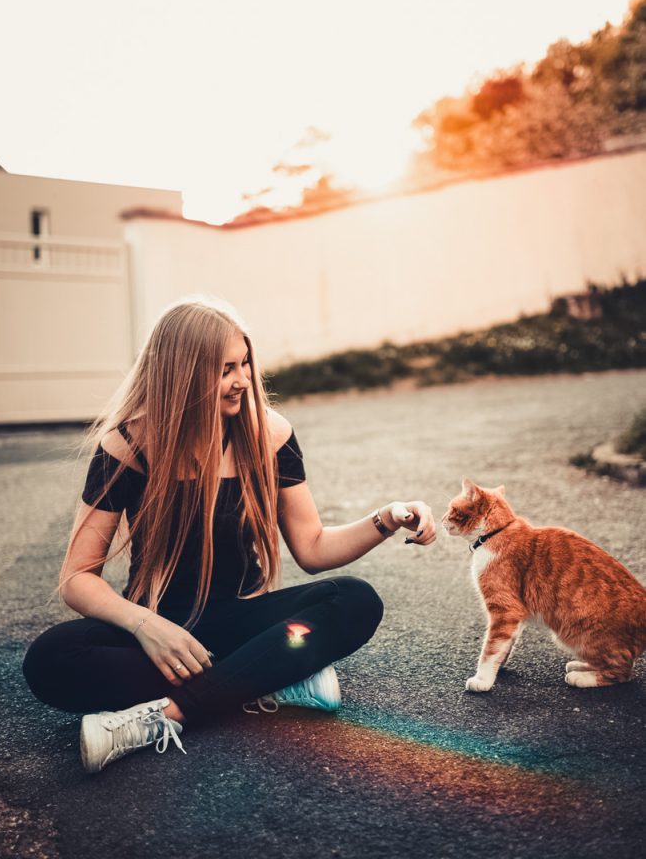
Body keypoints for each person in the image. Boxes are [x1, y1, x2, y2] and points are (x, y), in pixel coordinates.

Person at [23, 296, 436, 774]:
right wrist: (146, 626)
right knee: (50, 658)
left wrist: (386, 519)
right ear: (182, 374)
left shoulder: (270, 435)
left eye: (244, 364)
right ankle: (271, 677)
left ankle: (167, 717)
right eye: (225, 369)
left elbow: (313, 548)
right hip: (161, 632)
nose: (243, 380)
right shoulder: (129, 445)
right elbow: (78, 577)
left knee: (354, 599)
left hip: (245, 621)